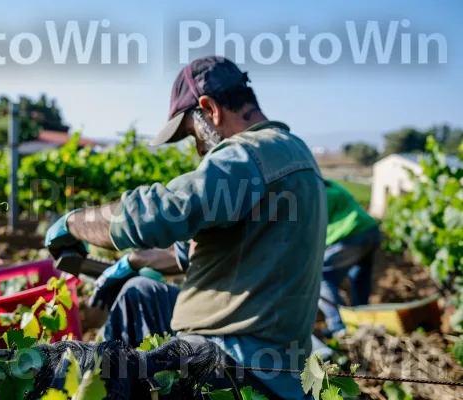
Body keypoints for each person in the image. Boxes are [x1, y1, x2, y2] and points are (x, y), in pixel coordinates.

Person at [44, 56, 327, 399]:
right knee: (140, 294)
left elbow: (160, 213)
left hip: (233, 362)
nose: (197, 147)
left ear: (210, 109)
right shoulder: (289, 153)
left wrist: (75, 222)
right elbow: (188, 252)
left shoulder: (248, 154)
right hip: (267, 355)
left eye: (192, 133)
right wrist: (131, 263)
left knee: (86, 374)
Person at [318, 179, 381, 338]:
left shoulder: (315, 194)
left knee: (320, 277)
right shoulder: (330, 185)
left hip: (350, 236)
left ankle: (339, 328)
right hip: (370, 231)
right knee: (359, 281)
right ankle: (362, 326)